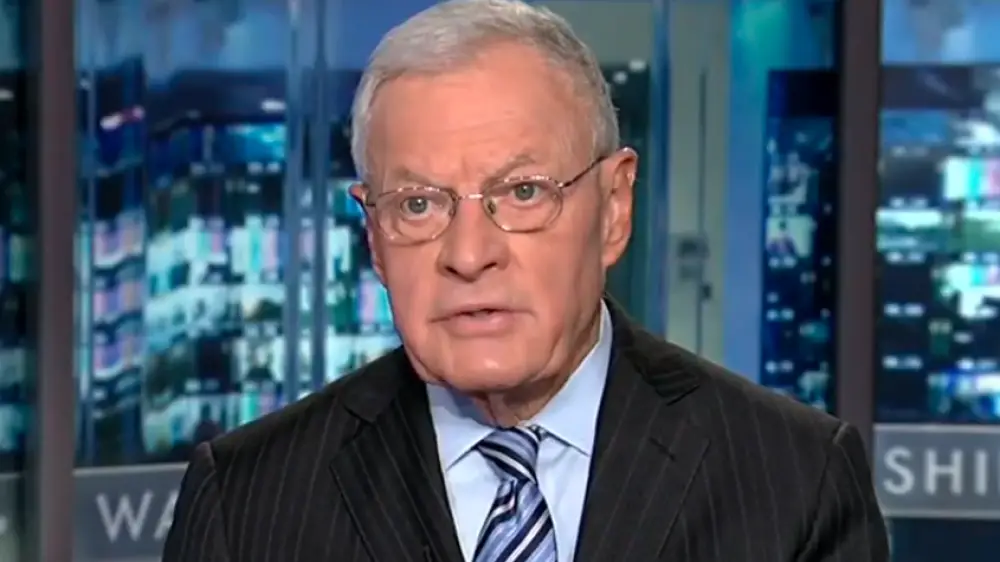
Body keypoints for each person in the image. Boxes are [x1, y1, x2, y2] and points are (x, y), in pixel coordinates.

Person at [163, 1, 889, 561]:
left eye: (522, 193)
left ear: (614, 208)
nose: (469, 254)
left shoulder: (795, 483)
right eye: (417, 205)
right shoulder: (247, 504)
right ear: (374, 238)